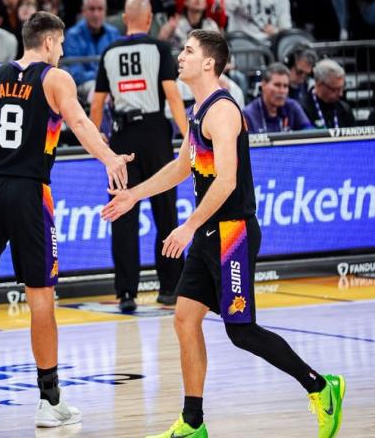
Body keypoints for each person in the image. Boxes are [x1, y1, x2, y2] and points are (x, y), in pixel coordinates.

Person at [102, 29, 345, 438]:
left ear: (209, 63)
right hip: (209, 233)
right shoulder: (198, 109)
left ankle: (321, 387)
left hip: (232, 234)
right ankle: (193, 422)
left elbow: (227, 181)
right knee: (184, 319)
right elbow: (182, 168)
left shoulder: (223, 111)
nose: (180, 56)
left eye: (188, 51)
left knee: (242, 332)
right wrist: (133, 195)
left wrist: (189, 225)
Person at [0, 11, 133, 429]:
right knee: (40, 295)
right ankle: (49, 399)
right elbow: (80, 123)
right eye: (60, 44)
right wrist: (110, 157)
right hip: (29, 193)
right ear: (49, 42)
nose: (62, 51)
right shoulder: (55, 78)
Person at [90, 0, 188, 311]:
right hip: (155, 134)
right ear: (149, 19)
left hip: (122, 137)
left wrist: (96, 137)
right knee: (165, 213)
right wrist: (189, 135)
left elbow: (97, 102)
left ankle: (126, 293)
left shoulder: (109, 51)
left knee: (122, 215)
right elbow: (172, 95)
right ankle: (170, 288)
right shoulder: (159, 48)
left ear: (124, 19)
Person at [63, 0, 120, 103]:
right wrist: (101, 75)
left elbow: (118, 66)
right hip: (85, 85)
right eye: (92, 9)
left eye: (100, 9)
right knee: (98, 90)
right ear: (83, 11)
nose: (96, 14)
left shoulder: (114, 34)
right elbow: (76, 73)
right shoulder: (73, 36)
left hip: (111, 82)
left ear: (105, 11)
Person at [243, 62, 312, 133]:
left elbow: (310, 134)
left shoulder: (292, 107)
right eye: (277, 85)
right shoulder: (248, 115)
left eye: (285, 86)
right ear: (264, 85)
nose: (282, 91)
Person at [300, 58, 355, 129]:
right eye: (334, 90)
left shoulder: (344, 109)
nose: (340, 94)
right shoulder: (303, 109)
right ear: (319, 84)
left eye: (342, 88)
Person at [225, 0, 292, 43]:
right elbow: (223, 12)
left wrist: (276, 31)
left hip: (271, 44)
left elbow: (286, 28)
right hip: (242, 44)